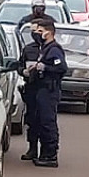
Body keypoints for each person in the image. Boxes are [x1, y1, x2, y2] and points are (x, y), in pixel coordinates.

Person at [28, 19, 67, 167]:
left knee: (47, 123)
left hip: (49, 90)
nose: (37, 34)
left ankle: (51, 155)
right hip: (42, 90)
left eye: (40, 31)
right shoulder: (46, 48)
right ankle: (44, 154)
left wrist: (44, 68)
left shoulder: (54, 50)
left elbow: (61, 68)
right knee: (40, 121)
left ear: (48, 33)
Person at [16, 23, 42, 161]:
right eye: (33, 31)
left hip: (45, 90)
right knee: (31, 120)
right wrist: (23, 71)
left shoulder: (51, 49)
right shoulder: (28, 49)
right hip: (31, 89)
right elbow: (19, 66)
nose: (35, 34)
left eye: (38, 31)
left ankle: (46, 151)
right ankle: (32, 149)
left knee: (44, 121)